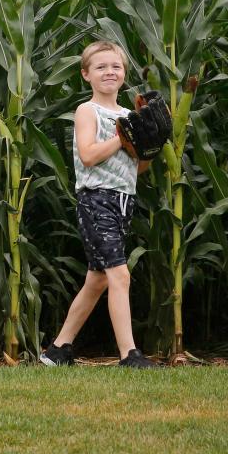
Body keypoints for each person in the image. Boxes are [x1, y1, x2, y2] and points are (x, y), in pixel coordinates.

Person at [39, 41, 157, 369]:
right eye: (101, 67)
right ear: (86, 74)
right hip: (96, 200)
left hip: (123, 200)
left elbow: (139, 167)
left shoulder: (129, 115)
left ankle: (58, 350)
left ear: (124, 74)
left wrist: (150, 145)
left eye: (116, 67)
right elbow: (88, 156)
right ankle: (129, 355)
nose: (109, 72)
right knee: (119, 275)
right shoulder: (87, 111)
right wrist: (123, 136)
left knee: (98, 279)